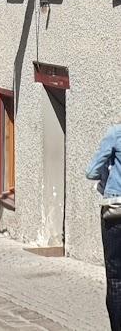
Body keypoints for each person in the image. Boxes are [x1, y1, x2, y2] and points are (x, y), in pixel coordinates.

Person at [87, 123, 121, 331]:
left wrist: (108, 172)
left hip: (116, 211)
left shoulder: (116, 133)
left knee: (116, 277)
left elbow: (91, 172)